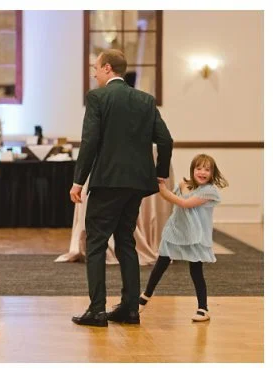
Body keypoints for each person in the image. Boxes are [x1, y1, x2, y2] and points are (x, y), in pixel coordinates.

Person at [70, 49, 173, 327]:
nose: (93, 73)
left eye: (95, 68)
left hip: (107, 182)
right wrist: (160, 173)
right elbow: (165, 140)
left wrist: (78, 180)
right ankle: (130, 309)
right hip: (137, 185)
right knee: (126, 241)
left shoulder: (97, 98)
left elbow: (89, 141)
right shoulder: (145, 100)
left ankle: (97, 310)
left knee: (95, 244)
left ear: (107, 68)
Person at [139, 154, 227, 322]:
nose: (202, 172)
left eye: (207, 170)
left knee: (196, 269)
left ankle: (203, 308)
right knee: (161, 263)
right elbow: (172, 199)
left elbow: (185, 203)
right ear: (192, 170)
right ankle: (145, 296)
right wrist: (162, 187)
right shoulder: (185, 185)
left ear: (212, 173)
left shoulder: (209, 191)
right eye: (199, 168)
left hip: (196, 235)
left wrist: (165, 189)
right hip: (176, 231)